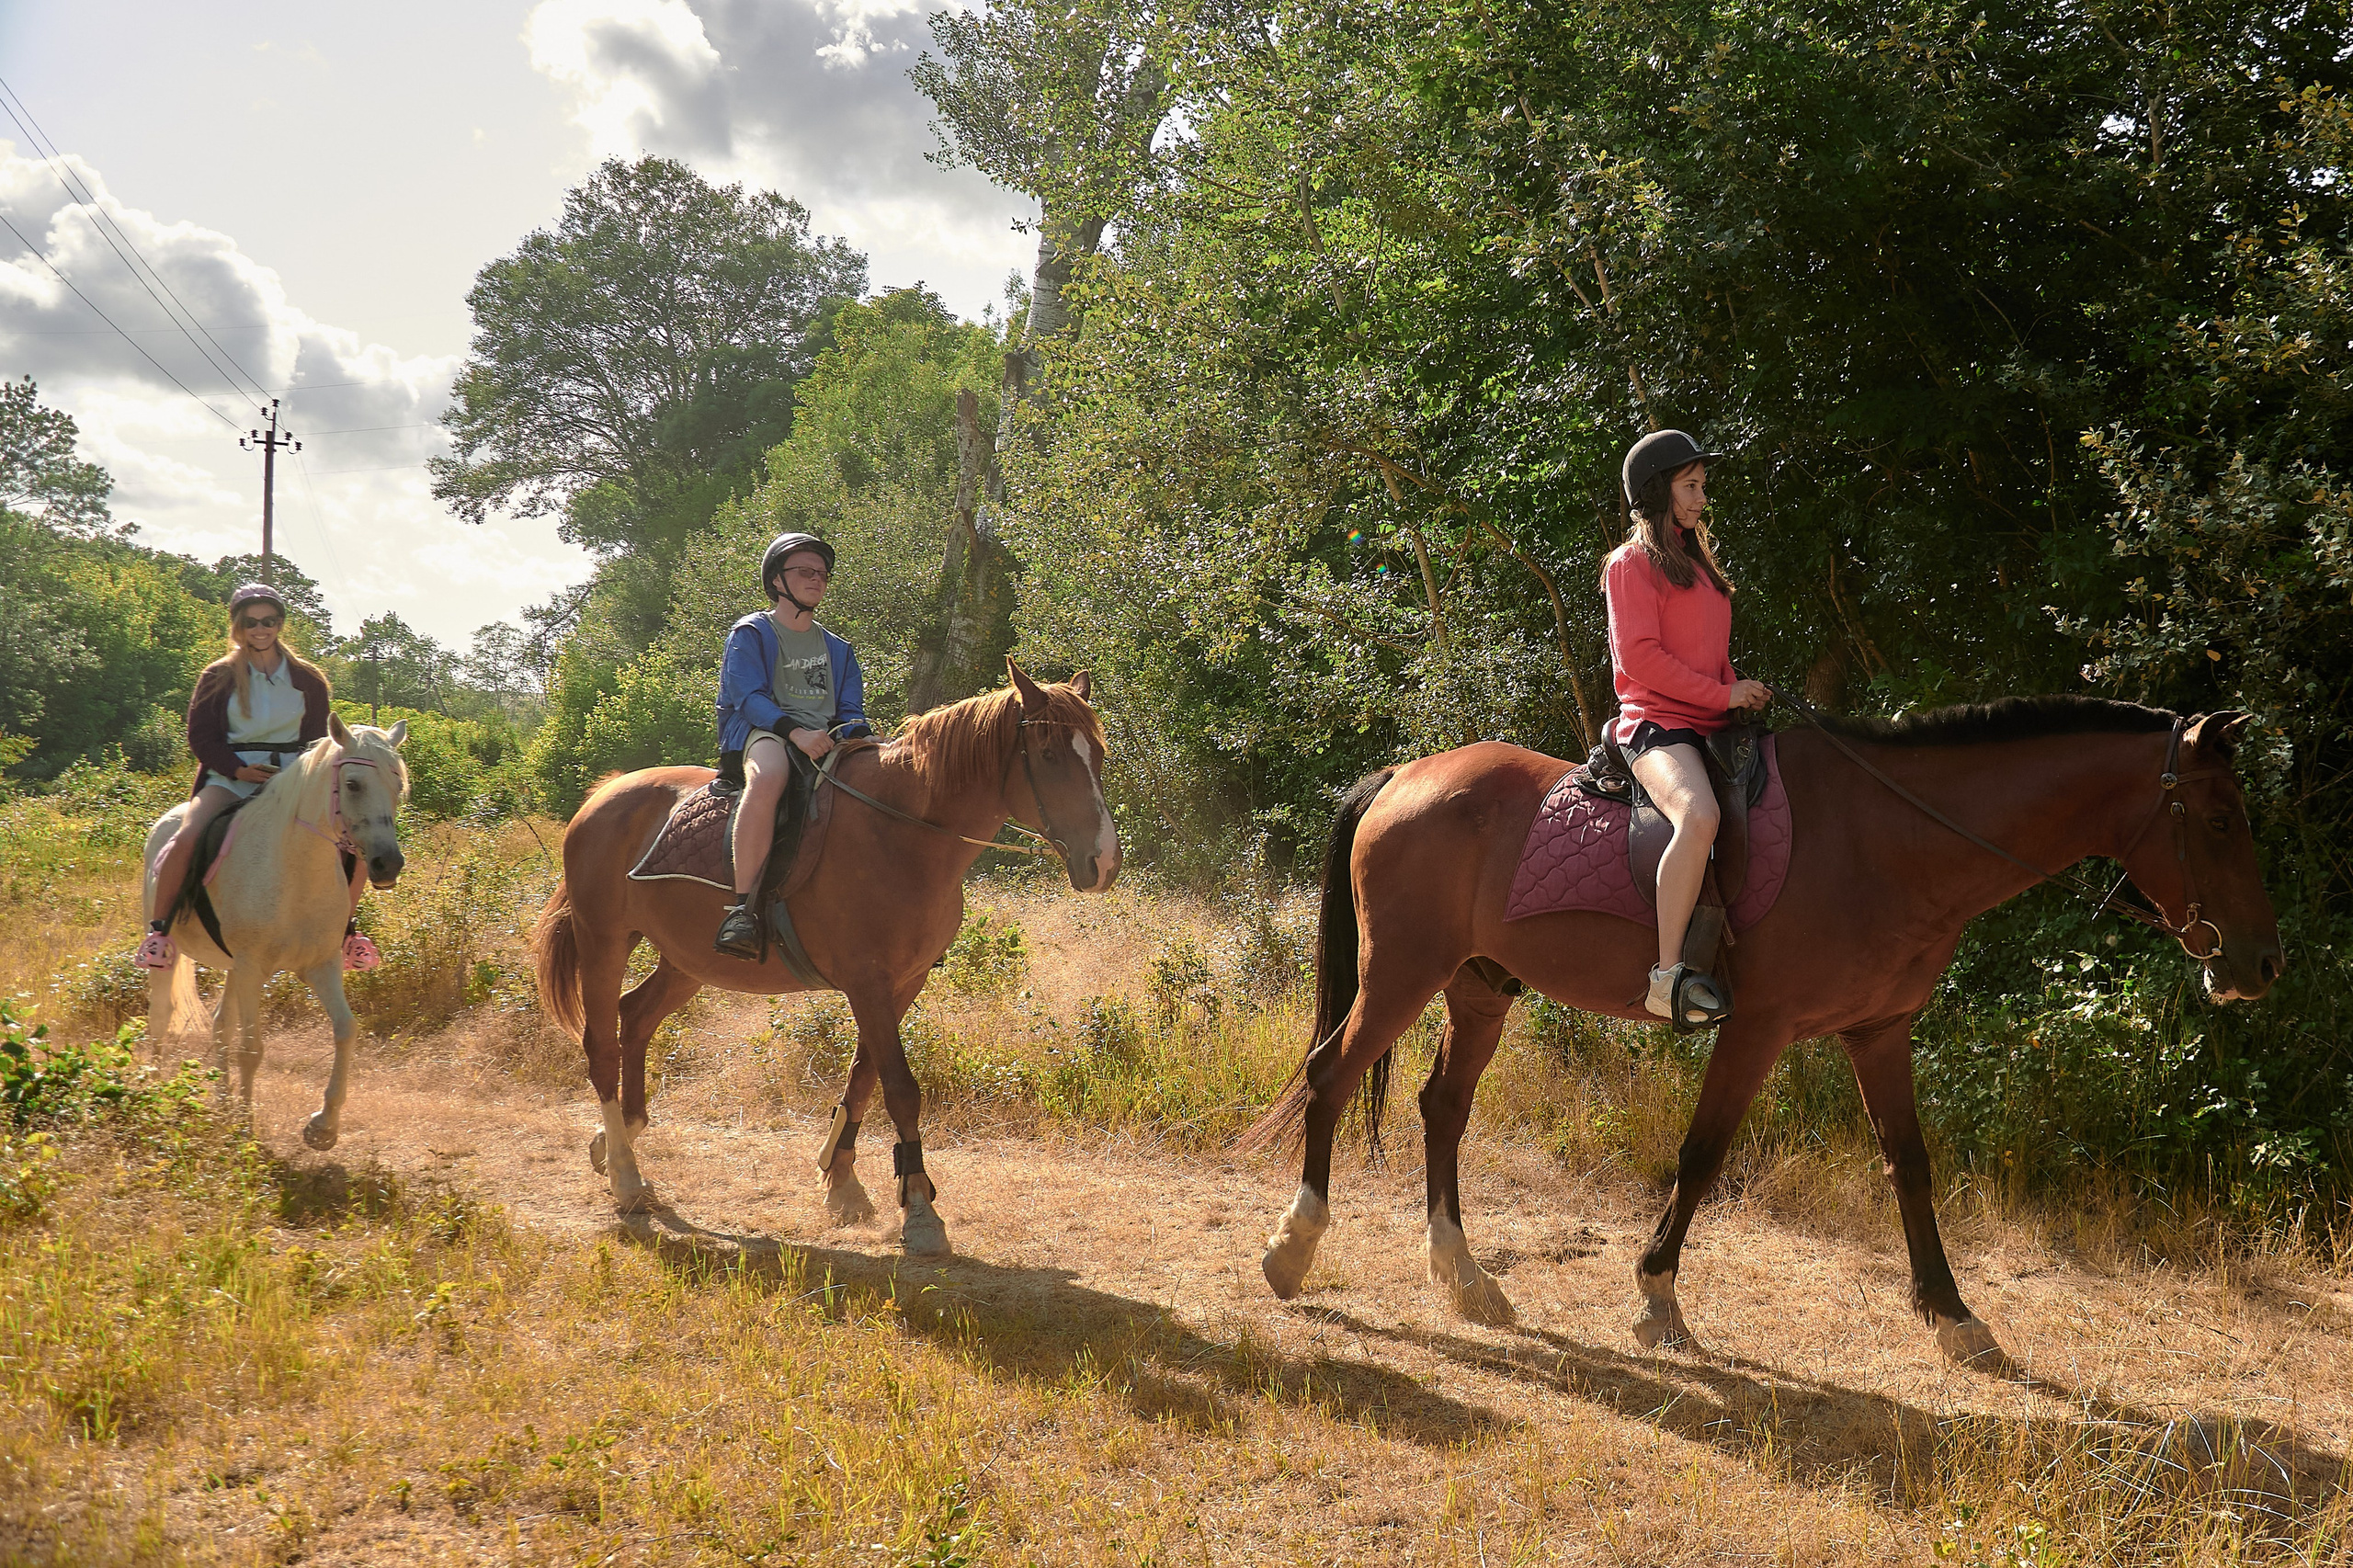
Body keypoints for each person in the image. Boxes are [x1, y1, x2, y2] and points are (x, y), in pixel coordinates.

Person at [1602, 430, 1773, 1025]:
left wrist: (1735, 691)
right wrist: (1722, 691)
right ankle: (1667, 977)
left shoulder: (1698, 565)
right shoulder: (1629, 565)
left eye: (1703, 486)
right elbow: (1642, 660)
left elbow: (1709, 651)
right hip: (1656, 727)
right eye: (1691, 486)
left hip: (1712, 725)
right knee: (1699, 816)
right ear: (1658, 491)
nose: (1702, 498)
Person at [135, 584, 335, 969]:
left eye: (269, 621)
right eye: (251, 622)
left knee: (345, 841)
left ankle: (345, 932)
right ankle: (159, 933)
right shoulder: (219, 675)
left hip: (291, 779)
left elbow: (316, 739)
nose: (261, 629)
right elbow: (201, 737)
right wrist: (237, 769)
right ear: (238, 626)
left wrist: (299, 778)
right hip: (229, 778)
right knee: (189, 834)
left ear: (280, 624)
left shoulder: (307, 679)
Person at [711, 532, 874, 959]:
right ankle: (742, 910)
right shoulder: (751, 633)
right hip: (761, 731)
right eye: (805, 571)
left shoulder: (839, 649)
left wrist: (867, 740)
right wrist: (794, 734)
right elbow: (748, 697)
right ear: (777, 580)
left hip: (823, 736)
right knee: (770, 778)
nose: (817, 579)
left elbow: (850, 710)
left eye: (822, 574)